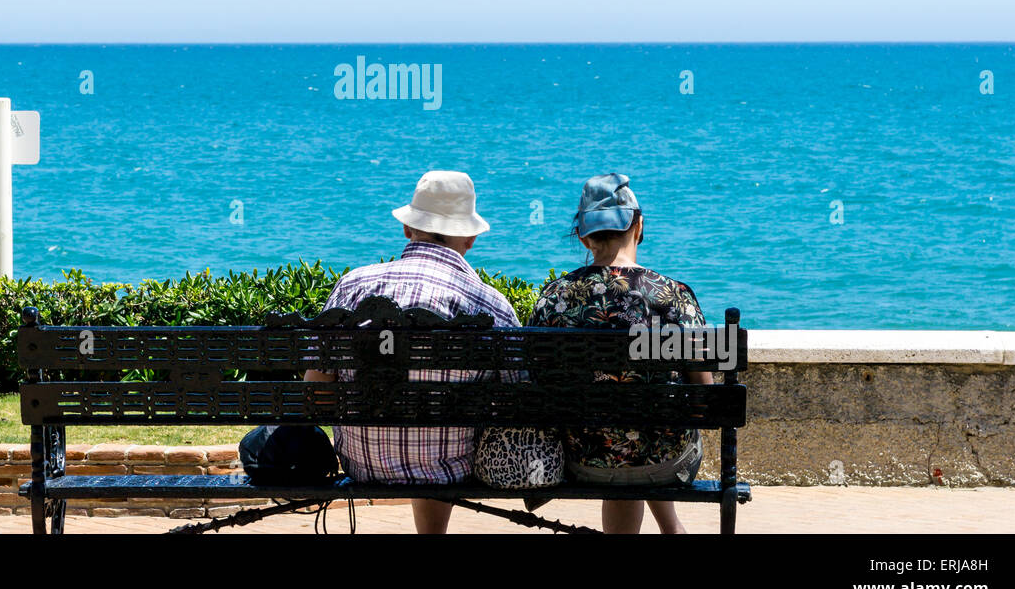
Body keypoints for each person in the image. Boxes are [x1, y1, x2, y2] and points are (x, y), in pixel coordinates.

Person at [304, 170, 520, 534]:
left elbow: (315, 388)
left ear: (407, 228)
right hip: (449, 465)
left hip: (361, 461)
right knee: (444, 433)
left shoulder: (354, 285)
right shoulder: (490, 306)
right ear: (470, 238)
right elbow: (519, 397)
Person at [528, 173, 713, 534]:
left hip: (584, 460)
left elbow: (537, 384)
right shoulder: (673, 296)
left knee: (621, 439)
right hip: (667, 460)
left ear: (582, 234)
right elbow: (704, 397)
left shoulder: (554, 299)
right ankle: (672, 527)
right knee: (648, 434)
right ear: (639, 225)